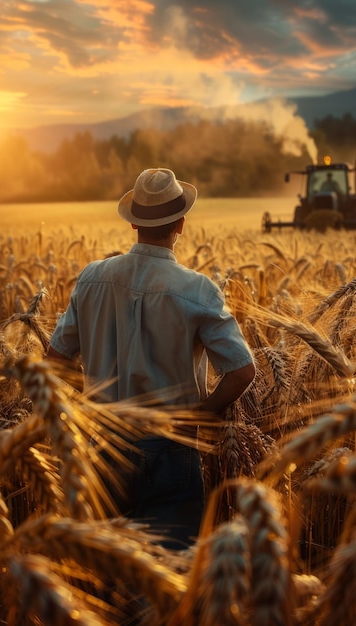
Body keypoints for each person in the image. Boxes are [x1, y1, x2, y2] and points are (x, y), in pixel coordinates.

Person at [47, 167, 255, 549]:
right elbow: (242, 371)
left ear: (134, 224)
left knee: (109, 569)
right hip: (170, 447)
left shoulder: (91, 278)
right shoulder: (197, 290)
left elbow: (54, 359)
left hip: (102, 442)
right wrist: (199, 417)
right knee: (166, 573)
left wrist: (89, 404)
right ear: (180, 224)